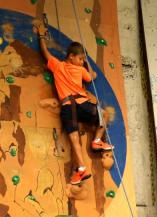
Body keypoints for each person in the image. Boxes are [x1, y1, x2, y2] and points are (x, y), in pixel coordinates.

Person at [36, 24, 113, 185]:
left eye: (83, 60)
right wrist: (87, 65)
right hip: (81, 103)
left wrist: (41, 37)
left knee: (74, 139)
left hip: (67, 107)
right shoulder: (78, 69)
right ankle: (97, 141)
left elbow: (45, 53)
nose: (82, 62)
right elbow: (92, 76)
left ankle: (82, 169)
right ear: (71, 56)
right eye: (80, 59)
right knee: (104, 115)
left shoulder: (58, 66)